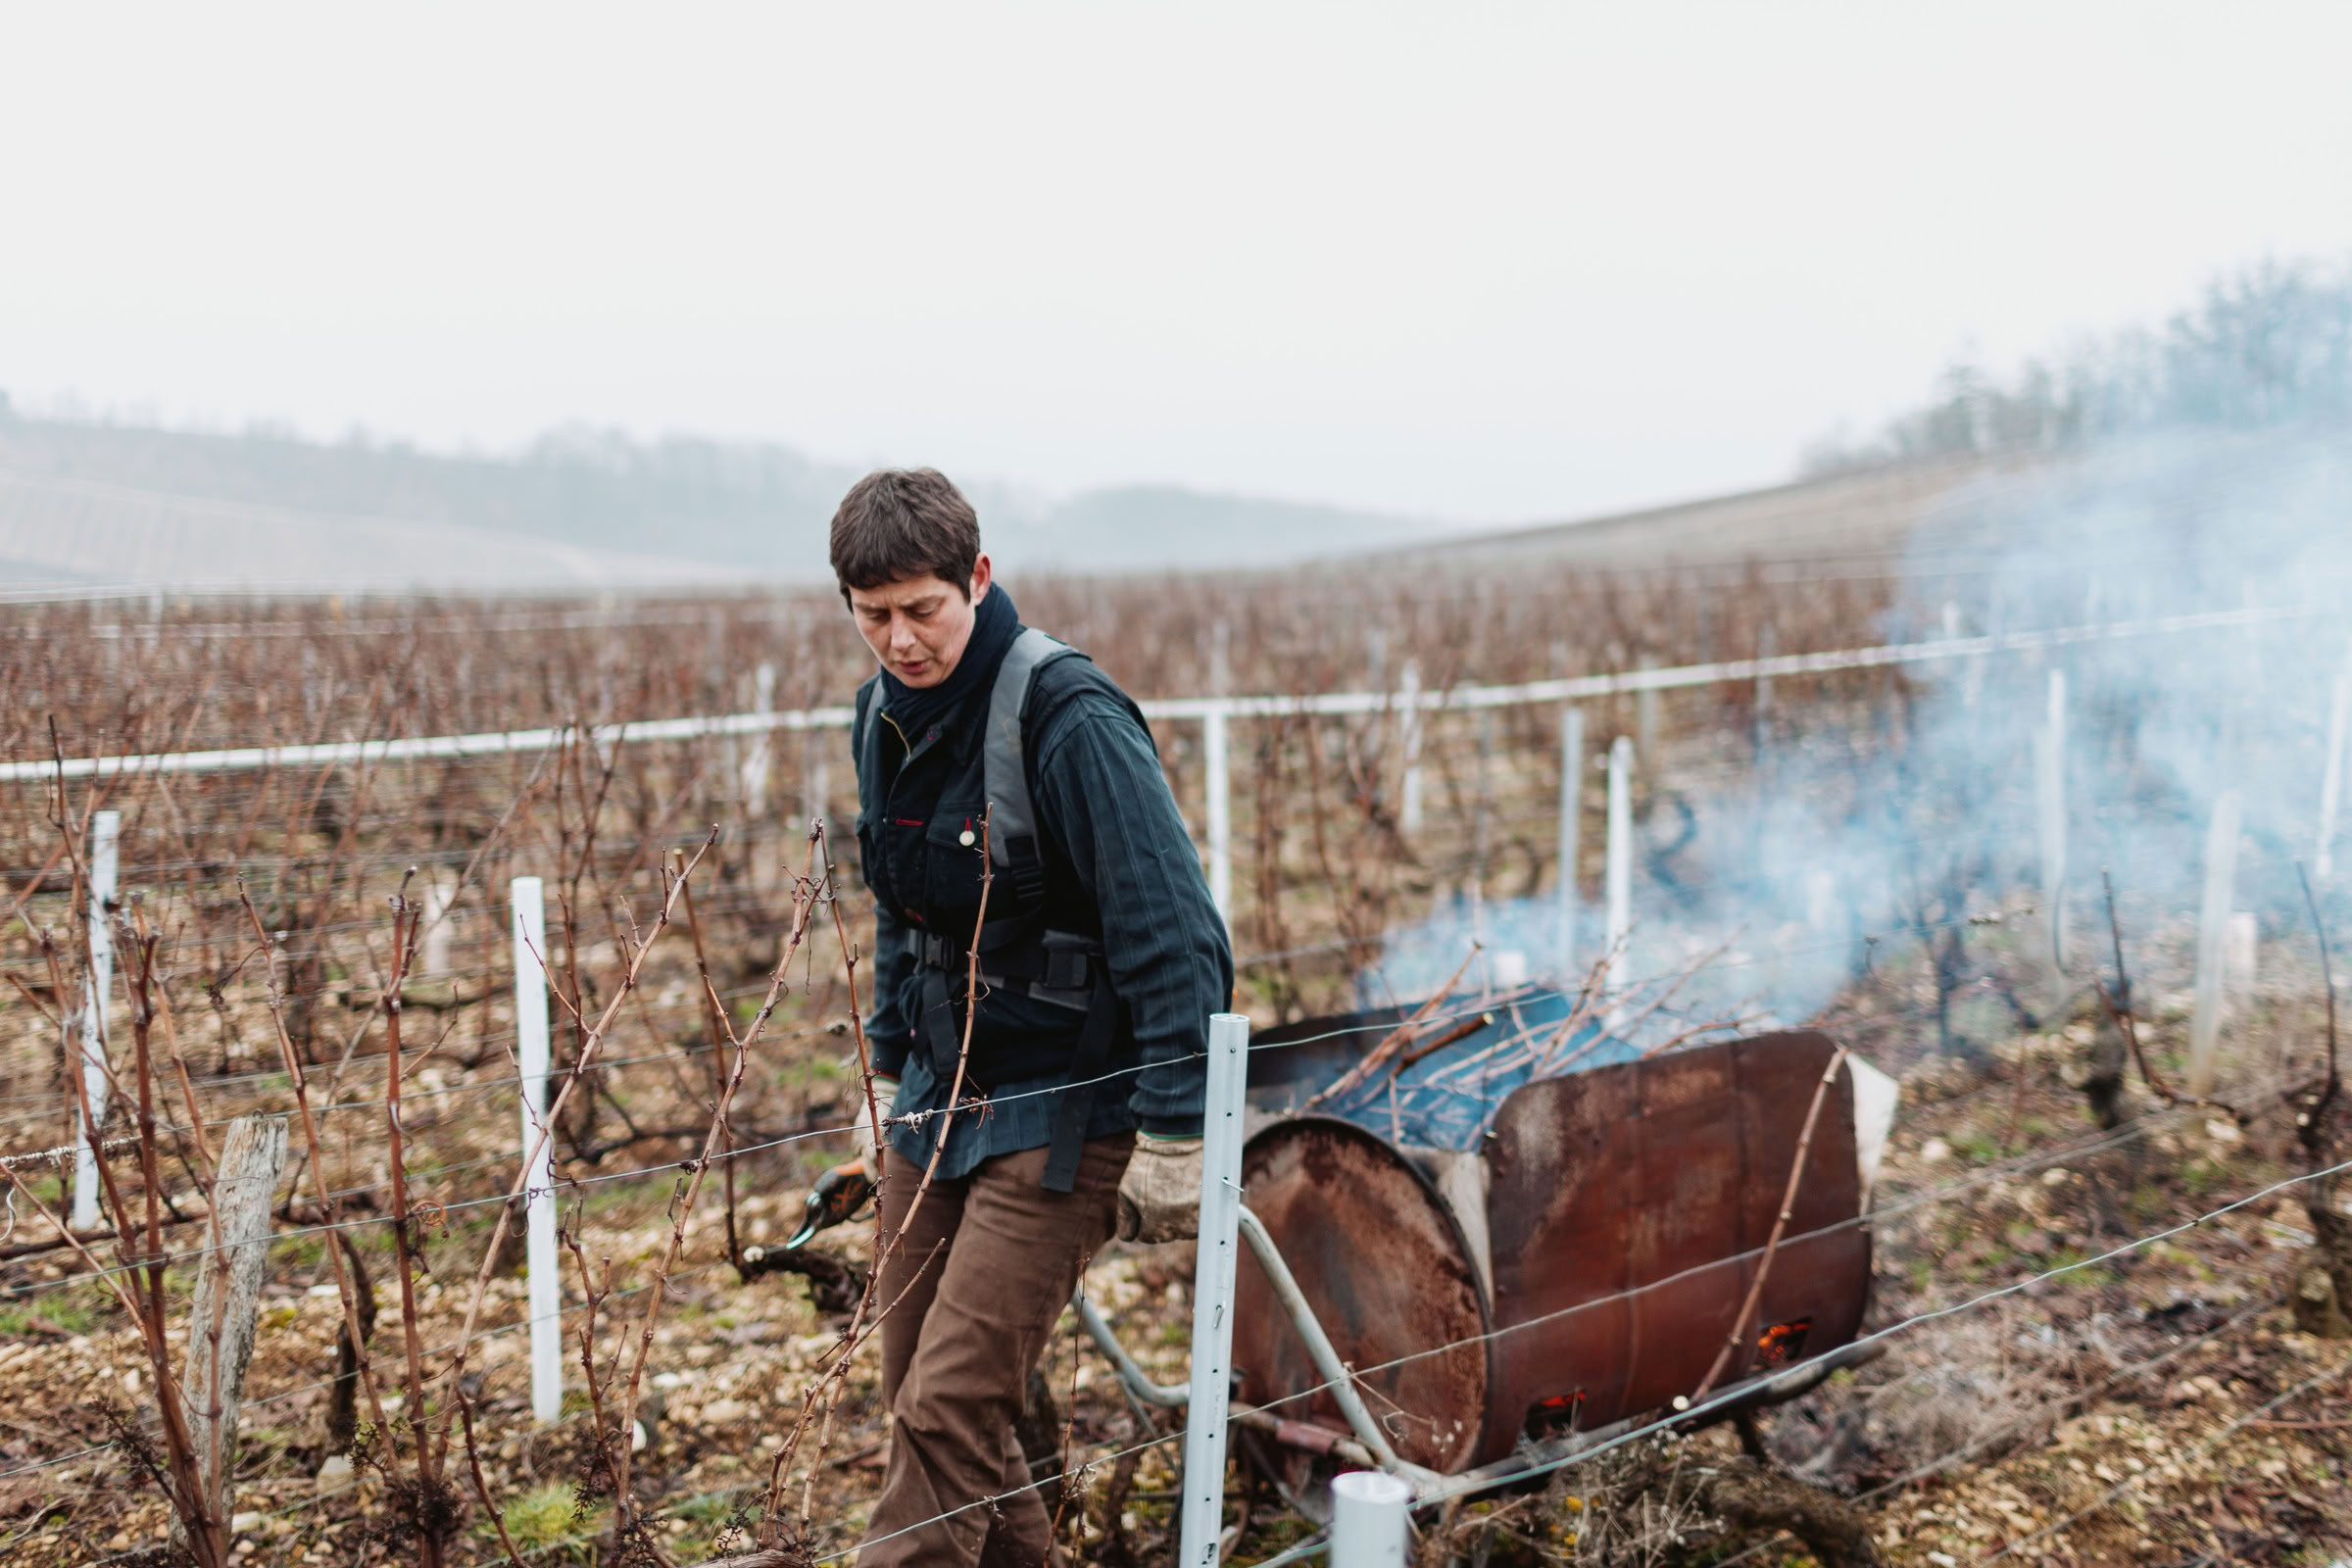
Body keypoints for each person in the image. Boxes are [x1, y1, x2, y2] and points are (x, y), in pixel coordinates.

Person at [832, 468, 1233, 1566]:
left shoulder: (1067, 715)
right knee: (916, 1384)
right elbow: (900, 916)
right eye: (875, 617)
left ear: (979, 577)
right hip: (942, 1096)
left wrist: (1178, 1129)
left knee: (950, 1404)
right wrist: (883, 1077)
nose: (902, 641)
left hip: (1069, 1107)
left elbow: (1176, 932)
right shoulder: (880, 716)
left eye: (924, 609)